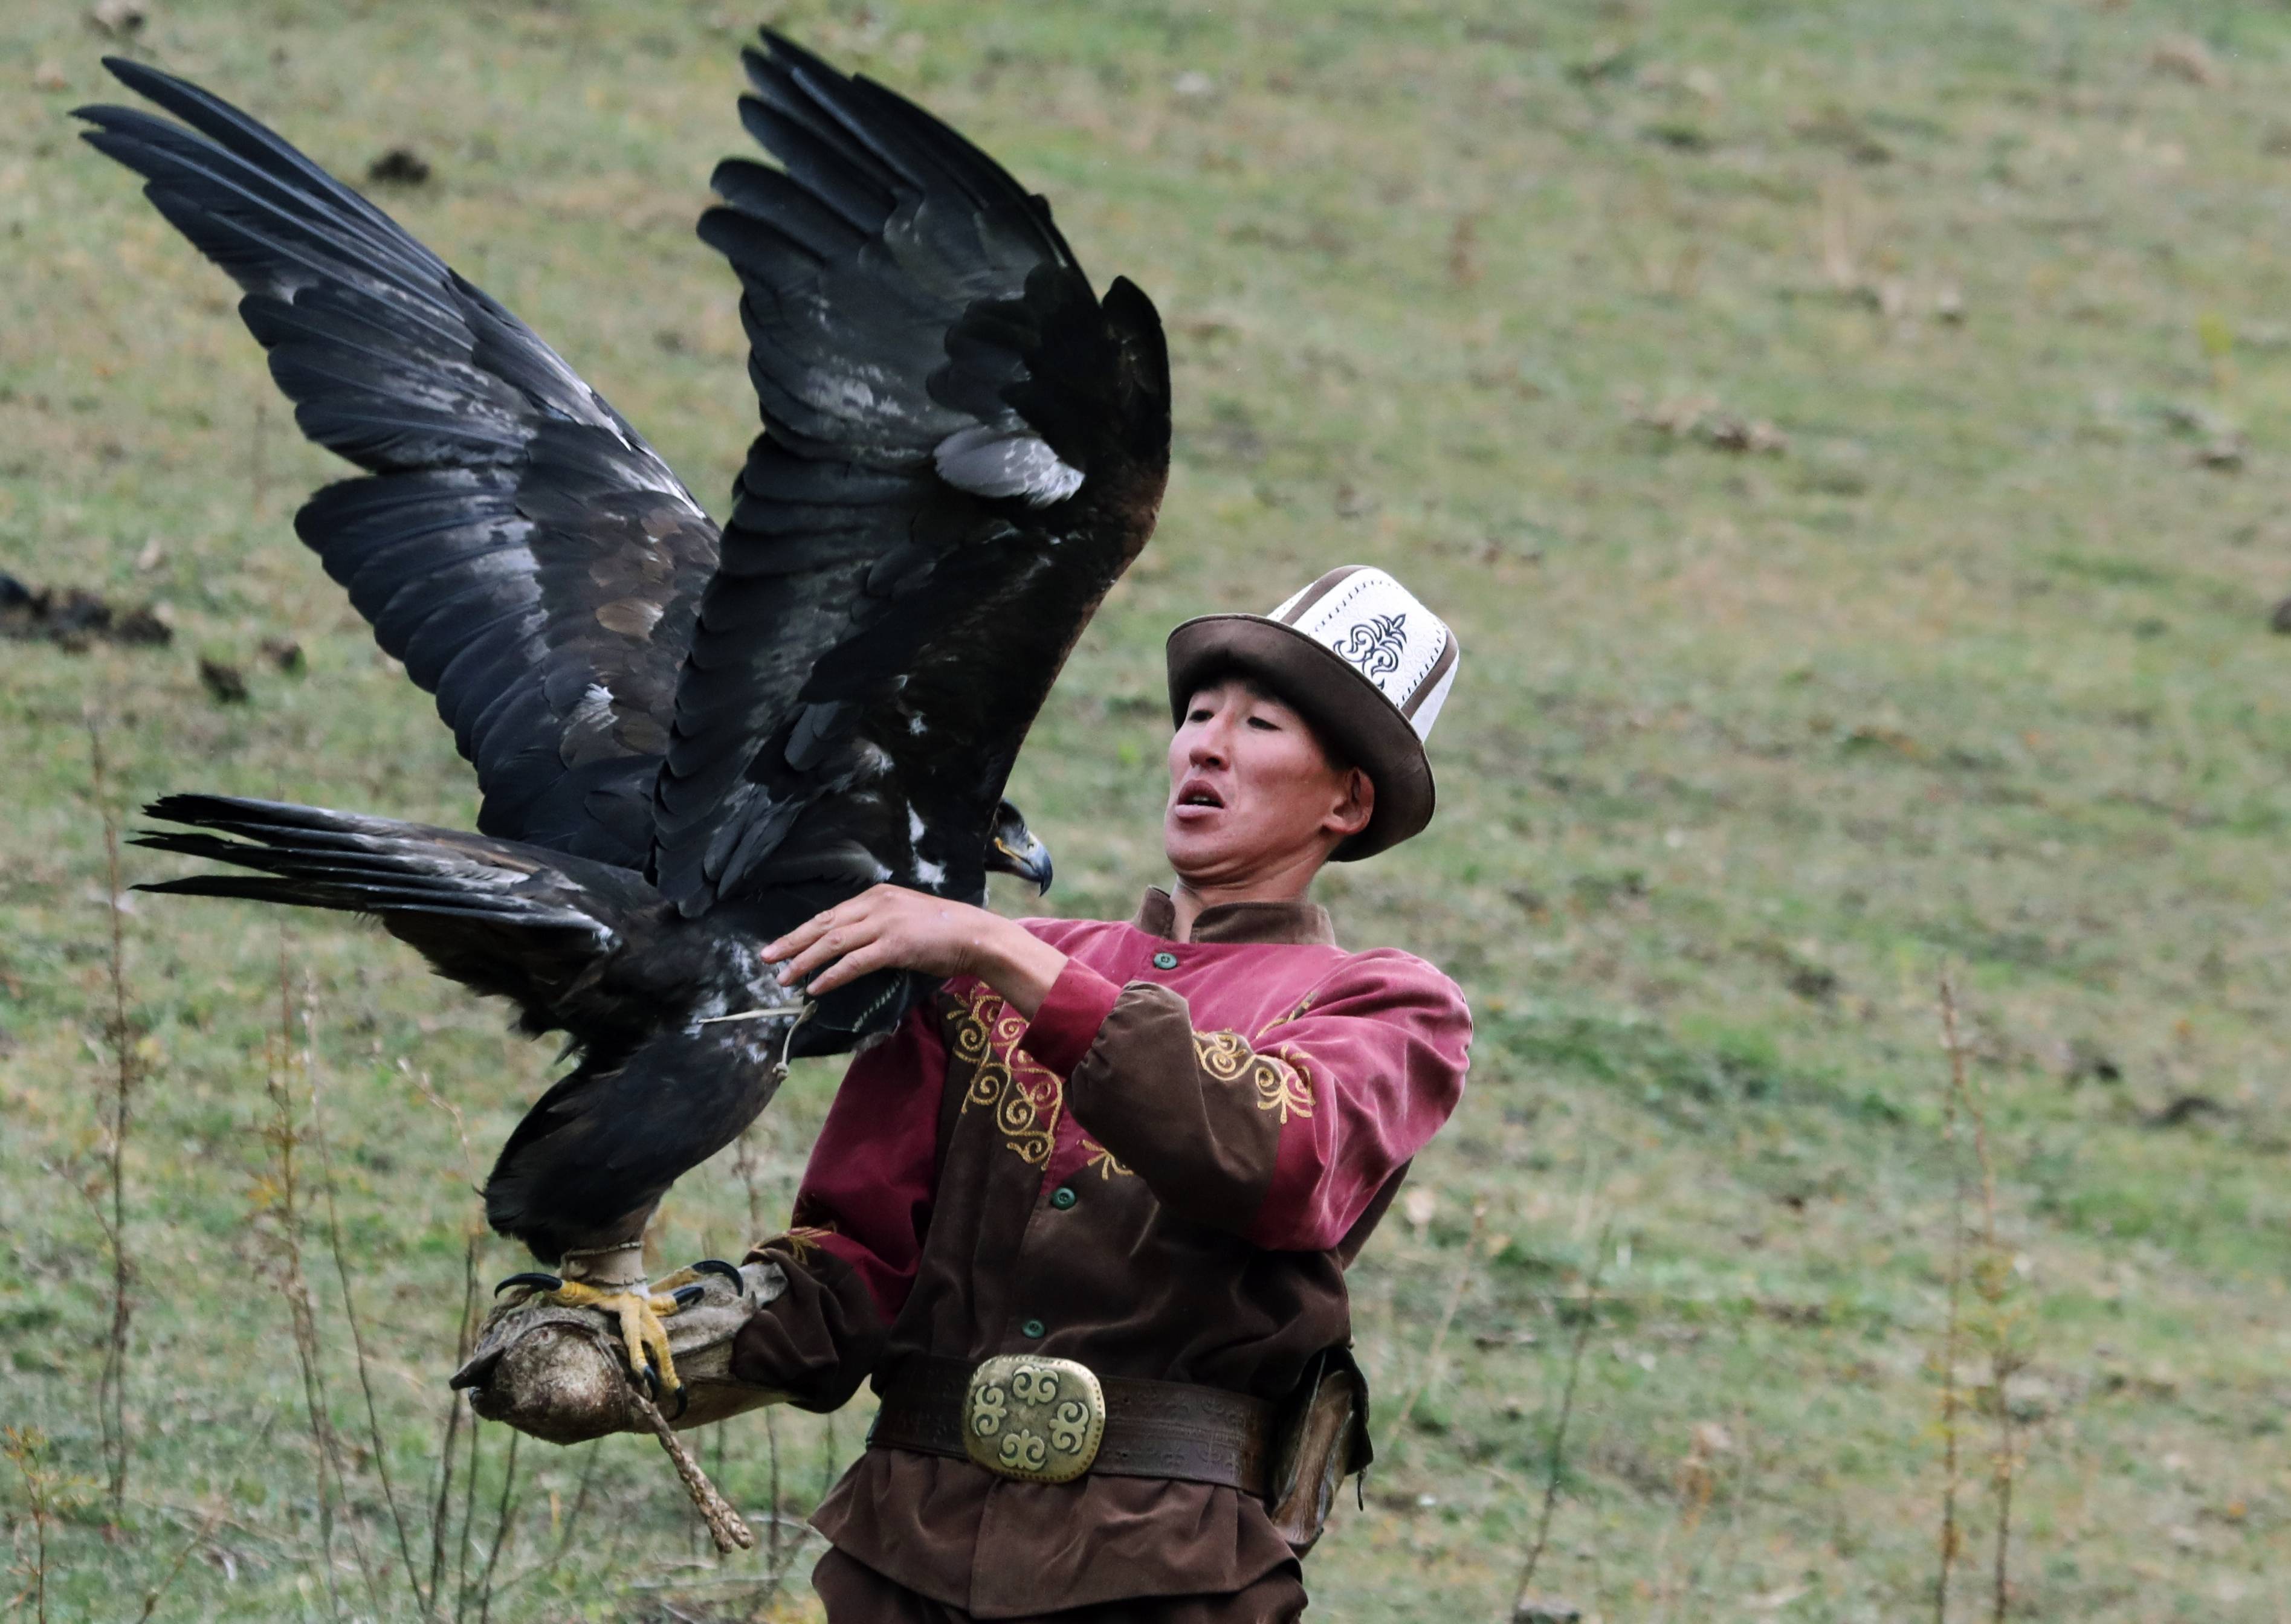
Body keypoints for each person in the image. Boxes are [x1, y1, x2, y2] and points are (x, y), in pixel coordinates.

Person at [733, 565, 1472, 1622]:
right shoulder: (981, 969)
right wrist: (653, 1349)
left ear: (1348, 800)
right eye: (1200, 715)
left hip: (1170, 1579)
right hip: (898, 1560)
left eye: (1260, 723)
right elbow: (846, 1277)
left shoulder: (1388, 1007)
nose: (1206, 744)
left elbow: (1280, 1161)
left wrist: (997, 947)